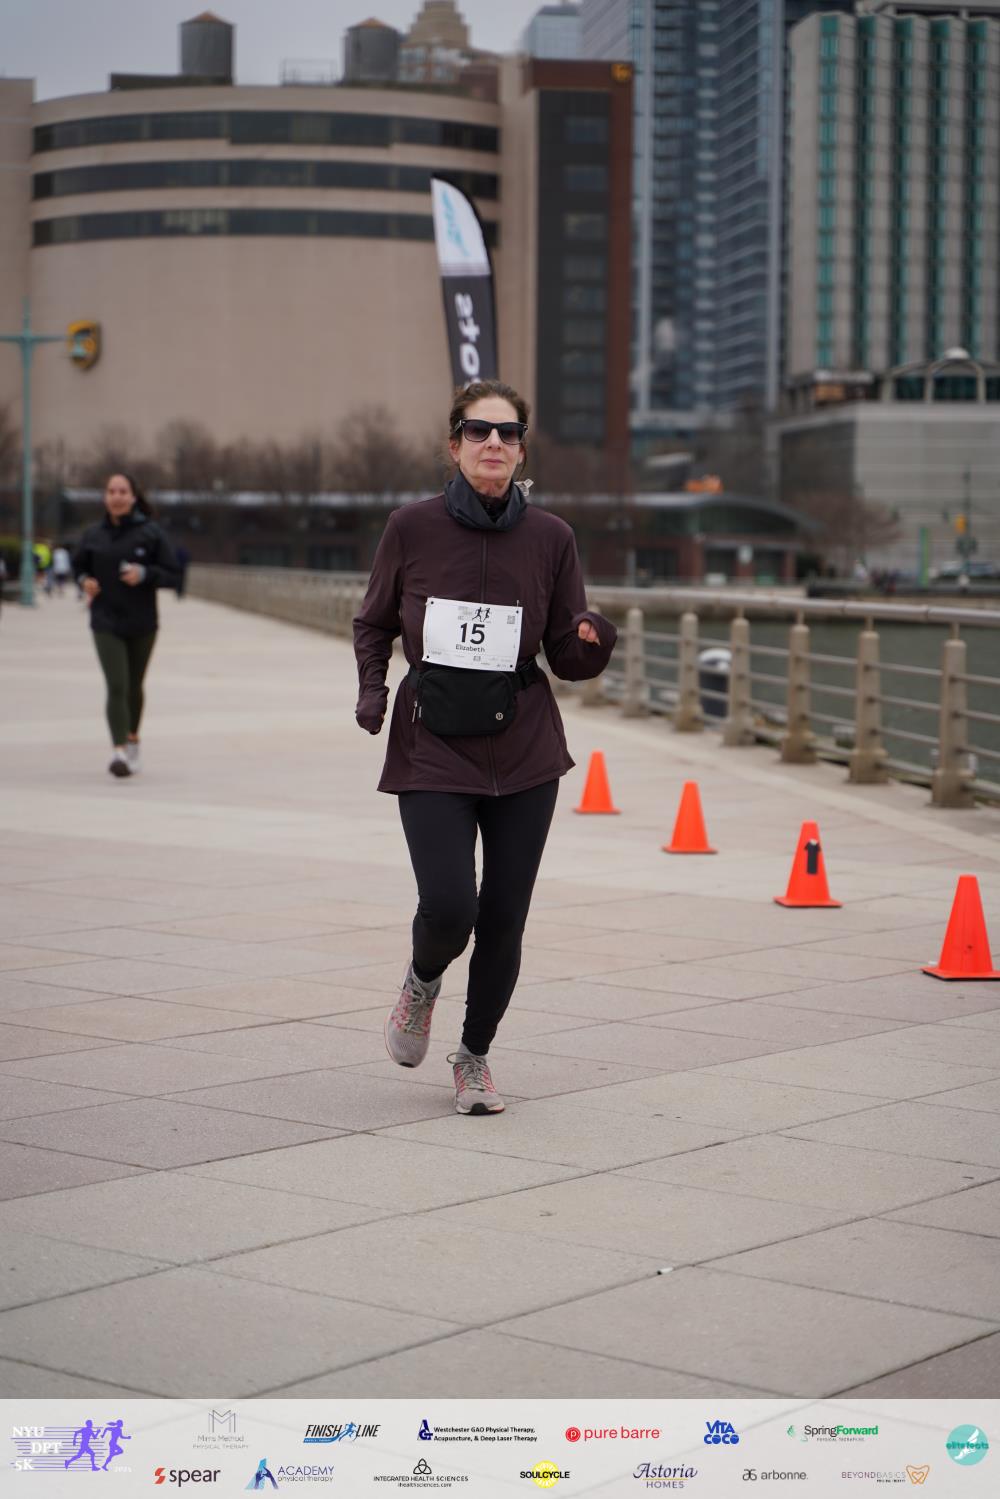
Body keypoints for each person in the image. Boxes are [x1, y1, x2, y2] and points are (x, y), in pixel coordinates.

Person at [353, 379, 617, 1116]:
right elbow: (373, 621)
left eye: (507, 432)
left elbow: (565, 654)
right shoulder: (411, 527)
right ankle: (421, 981)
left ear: (522, 450)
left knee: (503, 916)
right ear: (455, 445)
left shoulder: (552, 538)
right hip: (431, 741)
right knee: (449, 904)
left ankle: (473, 1058)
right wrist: (373, 690)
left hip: (525, 747)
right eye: (478, 431)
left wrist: (595, 641)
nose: (493, 442)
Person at [73, 472, 180, 778]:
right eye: (111, 491)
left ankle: (133, 741)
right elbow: (79, 567)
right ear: (105, 497)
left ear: (133, 497)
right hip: (105, 620)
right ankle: (118, 751)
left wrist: (144, 575)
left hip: (142, 621)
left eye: (123, 491)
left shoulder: (151, 533)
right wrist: (84, 581)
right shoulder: (93, 534)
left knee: (134, 685)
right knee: (117, 684)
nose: (117, 496)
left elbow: (173, 574)